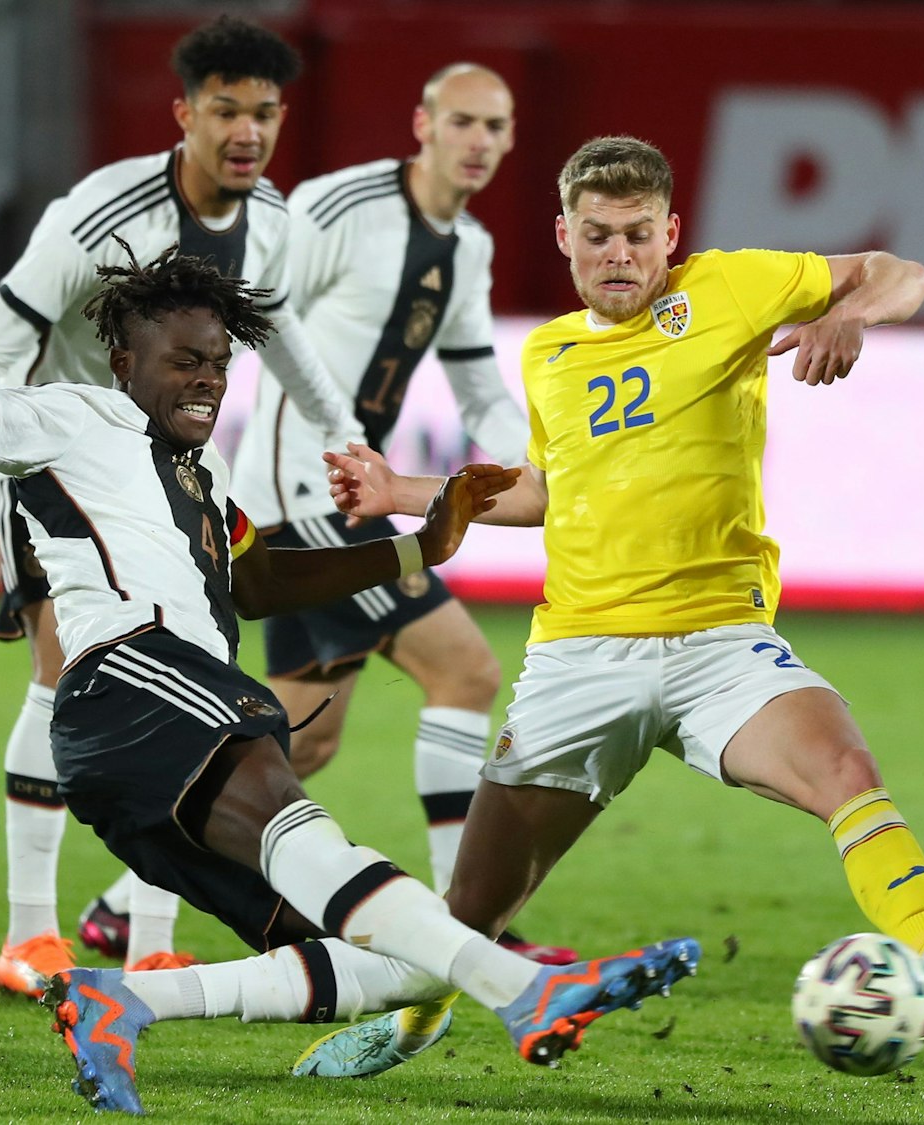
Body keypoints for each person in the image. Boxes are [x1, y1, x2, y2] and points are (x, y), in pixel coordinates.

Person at [0, 134, 699, 1116]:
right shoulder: (78, 417)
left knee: (368, 950)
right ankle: (529, 994)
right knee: (324, 851)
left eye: (217, 363)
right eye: (182, 362)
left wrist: (425, 544)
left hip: (144, 748)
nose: (207, 380)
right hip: (133, 681)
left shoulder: (200, 487)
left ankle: (121, 999)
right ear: (124, 359)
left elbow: (258, 582)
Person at [291, 136, 924, 1079]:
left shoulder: (730, 287)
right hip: (579, 659)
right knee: (472, 909)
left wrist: (849, 311)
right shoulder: (552, 354)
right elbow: (551, 487)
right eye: (597, 236)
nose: (619, 255)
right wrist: (400, 491)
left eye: (638, 234)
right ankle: (410, 1022)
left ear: (670, 232)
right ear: (563, 236)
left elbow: (906, 272)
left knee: (843, 765)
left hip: (721, 638)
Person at [0, 15, 371, 996]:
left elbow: (285, 336)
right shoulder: (99, 214)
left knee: (198, 682)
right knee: (62, 678)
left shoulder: (271, 220)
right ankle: (28, 935)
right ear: (183, 113)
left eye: (263, 112)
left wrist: (346, 440)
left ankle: (147, 945)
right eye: (225, 108)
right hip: (64, 470)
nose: (246, 130)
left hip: (178, 483)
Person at [228, 64, 570, 964]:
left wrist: (526, 460)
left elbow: (474, 377)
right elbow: (254, 309)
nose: (480, 142)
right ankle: (466, 922)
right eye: (462, 121)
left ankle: (125, 896)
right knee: (464, 669)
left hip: (353, 495)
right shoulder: (341, 205)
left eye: (496, 127)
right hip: (302, 498)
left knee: (304, 737)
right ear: (421, 121)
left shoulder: (468, 245)